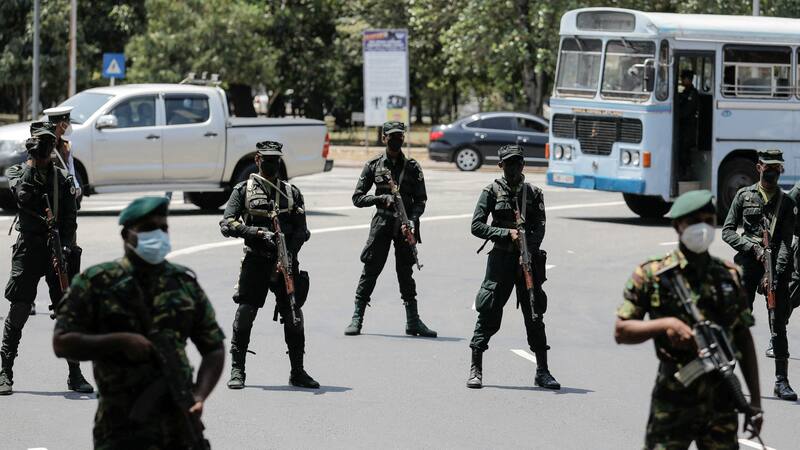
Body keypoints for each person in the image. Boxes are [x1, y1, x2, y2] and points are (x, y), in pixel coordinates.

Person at [53, 196, 226, 449]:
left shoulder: (183, 284)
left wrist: (199, 395)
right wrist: (119, 342)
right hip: (119, 427)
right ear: (127, 235)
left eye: (163, 228)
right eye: (148, 229)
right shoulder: (97, 282)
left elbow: (214, 348)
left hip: (177, 424)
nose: (158, 235)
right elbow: (62, 343)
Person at [616, 190, 763, 449]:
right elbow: (622, 330)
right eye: (695, 221)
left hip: (721, 400)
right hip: (673, 400)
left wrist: (755, 401)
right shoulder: (653, 274)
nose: (703, 228)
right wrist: (665, 325)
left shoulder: (729, 275)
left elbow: (743, 337)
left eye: (708, 220)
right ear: (677, 226)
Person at [0, 122, 92, 395]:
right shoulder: (18, 171)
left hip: (56, 250)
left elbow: (70, 219)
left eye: (49, 144)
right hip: (29, 249)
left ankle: (75, 374)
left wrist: (65, 250)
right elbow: (22, 196)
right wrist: (32, 162)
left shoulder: (62, 178)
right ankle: (5, 372)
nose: (45, 149)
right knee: (19, 308)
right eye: (41, 143)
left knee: (66, 312)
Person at [219, 140, 318, 389]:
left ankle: (298, 371)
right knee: (245, 313)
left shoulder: (292, 193)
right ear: (257, 160)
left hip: (286, 261)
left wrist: (288, 254)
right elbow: (227, 223)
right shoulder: (243, 190)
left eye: (275, 159)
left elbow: (302, 230)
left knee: (294, 315)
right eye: (267, 159)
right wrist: (255, 233)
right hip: (256, 259)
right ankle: (237, 370)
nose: (272, 164)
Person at [466, 144, 559, 390]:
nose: (514, 167)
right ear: (501, 165)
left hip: (528, 261)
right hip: (501, 260)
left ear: (523, 164)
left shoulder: (534, 193)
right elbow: (476, 226)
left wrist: (528, 249)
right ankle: (476, 368)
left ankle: (543, 371)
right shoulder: (491, 191)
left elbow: (540, 227)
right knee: (489, 310)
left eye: (518, 162)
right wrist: (506, 234)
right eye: (509, 163)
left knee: (535, 312)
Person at [344, 121, 437, 337]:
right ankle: (357, 317)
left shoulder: (413, 167)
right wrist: (379, 199)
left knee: (405, 272)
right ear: (384, 138)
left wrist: (413, 219)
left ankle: (413, 321)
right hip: (382, 224)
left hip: (405, 226)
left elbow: (421, 200)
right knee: (371, 270)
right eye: (392, 136)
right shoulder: (374, 165)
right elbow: (357, 198)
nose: (397, 139)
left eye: (400, 136)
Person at [722, 149, 797, 401]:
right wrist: (751, 247)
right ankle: (727, 376)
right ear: (759, 168)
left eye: (776, 168)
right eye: (768, 167)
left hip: (775, 266)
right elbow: (727, 231)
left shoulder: (787, 203)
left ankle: (781, 381)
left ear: (781, 170)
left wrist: (774, 272)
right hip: (748, 262)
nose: (772, 172)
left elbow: (786, 242)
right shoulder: (744, 195)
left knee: (778, 322)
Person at [677, 69, 699, 180]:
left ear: (688, 79)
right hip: (683, 127)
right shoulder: (685, 92)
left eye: (683, 78)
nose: (682, 80)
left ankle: (687, 174)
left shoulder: (693, 93)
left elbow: (687, 112)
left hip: (689, 127)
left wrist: (678, 115)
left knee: (685, 151)